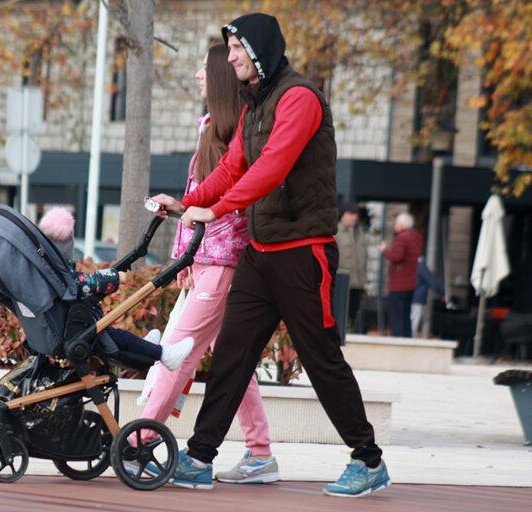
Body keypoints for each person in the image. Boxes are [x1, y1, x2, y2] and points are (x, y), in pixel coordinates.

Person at [151, 13, 390, 497]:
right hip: (260, 255)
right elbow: (233, 166)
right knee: (231, 356)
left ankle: (368, 460)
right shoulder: (253, 104)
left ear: (259, 50)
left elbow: (271, 168)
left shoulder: (299, 98)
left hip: (303, 254)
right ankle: (199, 457)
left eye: (236, 49)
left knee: (321, 359)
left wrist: (215, 209)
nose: (230, 59)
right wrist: (187, 204)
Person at [138, 44, 277, 485]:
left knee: (176, 352)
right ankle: (260, 453)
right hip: (209, 259)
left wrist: (194, 252)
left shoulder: (236, 133)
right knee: (233, 361)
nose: (198, 75)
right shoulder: (210, 127)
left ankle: (139, 442)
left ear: (219, 78)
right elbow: (197, 196)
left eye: (203, 69)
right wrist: (186, 256)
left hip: (221, 261)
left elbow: (223, 201)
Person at [37, 207, 193, 371]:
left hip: (72, 329)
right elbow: (84, 283)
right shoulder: (57, 274)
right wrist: (115, 277)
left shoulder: (47, 269)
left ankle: (145, 347)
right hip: (75, 332)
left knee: (118, 338)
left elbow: (79, 281)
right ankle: (164, 354)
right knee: (120, 338)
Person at [379, 212, 423, 338]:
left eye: (396, 223)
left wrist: (384, 250)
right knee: (406, 316)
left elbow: (397, 256)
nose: (395, 225)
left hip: (399, 284)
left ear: (402, 224)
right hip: (411, 283)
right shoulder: (416, 236)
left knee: (396, 316)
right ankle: (408, 340)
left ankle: (398, 341)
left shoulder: (401, 237)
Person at [335, 202, 367, 332]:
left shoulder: (359, 233)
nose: (355, 217)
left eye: (356, 214)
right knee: (340, 313)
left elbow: (363, 259)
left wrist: (363, 284)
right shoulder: (335, 232)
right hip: (341, 282)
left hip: (357, 283)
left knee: (353, 314)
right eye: (351, 214)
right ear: (343, 215)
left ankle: (350, 330)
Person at [411, 256, 444, 337]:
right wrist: (442, 293)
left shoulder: (409, 263)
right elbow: (431, 282)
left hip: (407, 297)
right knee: (413, 324)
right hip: (417, 299)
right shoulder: (420, 265)